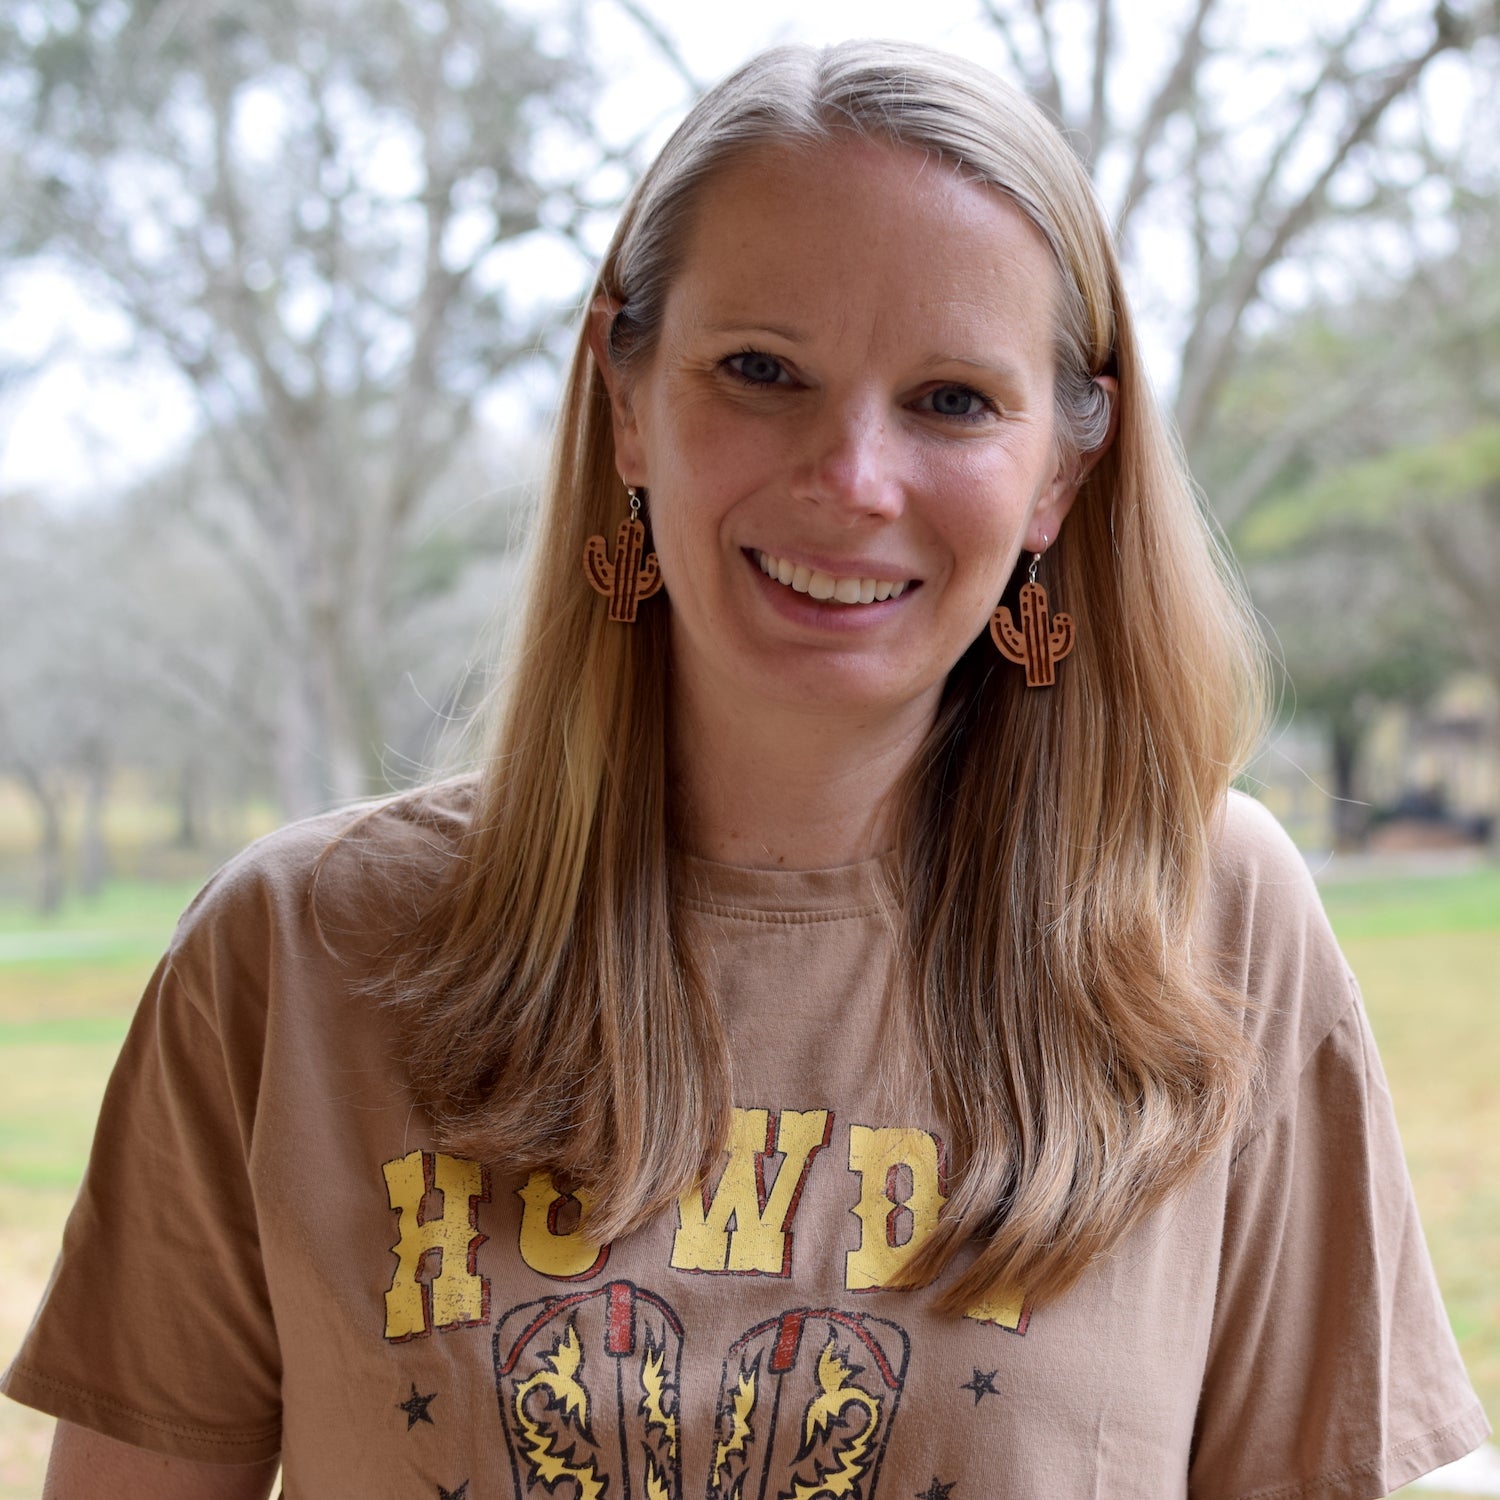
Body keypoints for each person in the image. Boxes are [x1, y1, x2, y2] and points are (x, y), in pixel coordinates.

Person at [3, 39, 1488, 1500]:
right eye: (762, 369)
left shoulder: (1213, 927)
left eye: (953, 400)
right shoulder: (293, 956)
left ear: (1061, 473)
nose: (852, 478)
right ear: (627, 397)